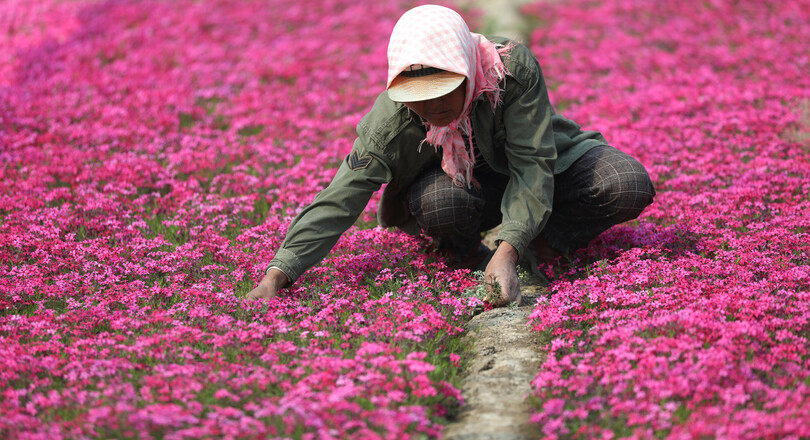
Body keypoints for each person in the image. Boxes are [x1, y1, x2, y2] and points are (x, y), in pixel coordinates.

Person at [246, 5, 655, 305]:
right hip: (461, 189)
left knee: (625, 182)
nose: (432, 107)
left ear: (467, 70)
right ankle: (466, 254)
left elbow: (533, 163)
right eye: (418, 97)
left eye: (444, 90)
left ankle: (542, 243)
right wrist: (277, 275)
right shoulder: (391, 121)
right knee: (441, 204)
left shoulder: (509, 71)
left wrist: (510, 248)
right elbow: (340, 197)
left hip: (533, 169)